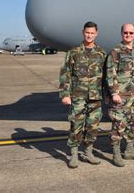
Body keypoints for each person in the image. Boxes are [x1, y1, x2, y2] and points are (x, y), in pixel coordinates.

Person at [59, 21, 107, 168]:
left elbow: (107, 76)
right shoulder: (73, 52)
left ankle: (88, 152)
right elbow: (65, 73)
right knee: (76, 125)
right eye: (87, 32)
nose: (89, 35)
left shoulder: (102, 53)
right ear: (83, 32)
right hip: (77, 96)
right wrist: (65, 94)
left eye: (92, 33)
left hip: (96, 96)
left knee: (93, 125)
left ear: (96, 34)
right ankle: (73, 154)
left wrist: (109, 94)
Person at [106, 23, 134, 167]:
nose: (128, 35)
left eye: (131, 33)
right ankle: (116, 152)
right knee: (118, 124)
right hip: (121, 95)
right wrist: (114, 92)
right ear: (121, 33)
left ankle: (129, 150)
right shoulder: (115, 51)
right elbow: (111, 73)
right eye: (125, 33)